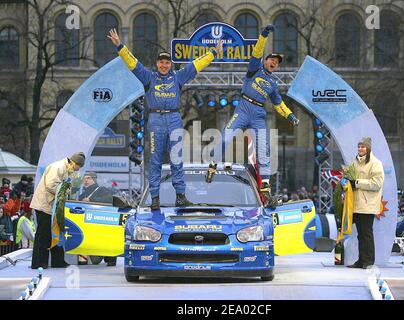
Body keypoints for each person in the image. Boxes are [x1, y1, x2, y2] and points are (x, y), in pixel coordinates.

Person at [108, 28, 223, 210]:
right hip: (155, 119)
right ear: (157, 64)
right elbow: (132, 63)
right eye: (161, 62)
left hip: (174, 118)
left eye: (167, 63)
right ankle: (155, 198)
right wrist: (119, 46)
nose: (164, 65)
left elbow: (196, 65)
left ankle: (180, 196)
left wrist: (213, 53)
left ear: (170, 64)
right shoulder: (148, 77)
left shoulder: (178, 77)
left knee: (177, 158)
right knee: (155, 160)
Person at [217, 24, 300, 205]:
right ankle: (214, 164)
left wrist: (290, 116)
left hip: (258, 114)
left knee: (264, 149)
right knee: (226, 137)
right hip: (244, 107)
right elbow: (257, 51)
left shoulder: (273, 84)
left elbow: (279, 104)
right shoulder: (255, 69)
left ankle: (266, 187)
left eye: (277, 63)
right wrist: (263, 35)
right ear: (265, 61)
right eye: (272, 60)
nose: (274, 63)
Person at [30, 152, 85, 269]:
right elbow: (51, 185)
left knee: (56, 233)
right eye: (78, 167)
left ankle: (57, 261)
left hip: (51, 206)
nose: (77, 170)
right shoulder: (58, 167)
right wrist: (65, 192)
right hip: (44, 205)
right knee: (43, 233)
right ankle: (39, 262)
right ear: (74, 163)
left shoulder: (65, 168)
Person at [341, 137, 384, 269]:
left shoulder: (375, 163)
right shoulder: (355, 163)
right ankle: (361, 260)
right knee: (361, 234)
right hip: (356, 204)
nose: (360, 149)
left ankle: (369, 261)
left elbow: (377, 183)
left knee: (366, 234)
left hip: (368, 204)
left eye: (363, 146)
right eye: (359, 146)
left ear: (368, 148)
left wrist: (357, 183)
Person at [77, 172, 116, 266]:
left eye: (88, 178)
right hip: (88, 223)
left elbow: (110, 199)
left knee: (106, 241)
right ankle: (85, 259)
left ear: (94, 179)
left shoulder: (102, 190)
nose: (85, 180)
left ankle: (110, 259)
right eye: (84, 178)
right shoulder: (82, 195)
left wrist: (91, 200)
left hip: (102, 222)